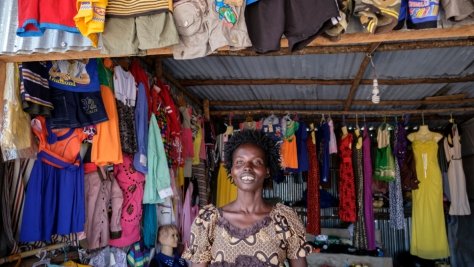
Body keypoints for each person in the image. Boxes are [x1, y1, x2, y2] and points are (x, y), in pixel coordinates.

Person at [182, 130, 310, 267]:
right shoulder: (209, 221)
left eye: (257, 162)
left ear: (267, 170)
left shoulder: (285, 220)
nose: (247, 168)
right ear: (231, 170)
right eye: (239, 162)